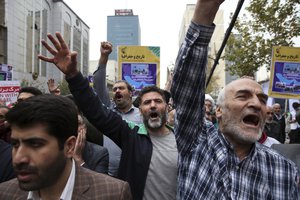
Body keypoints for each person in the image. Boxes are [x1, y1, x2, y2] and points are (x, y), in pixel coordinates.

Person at [170, 0, 300, 199]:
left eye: (262, 100)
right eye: (243, 96)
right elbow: (186, 87)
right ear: (219, 111)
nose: (256, 104)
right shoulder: (196, 142)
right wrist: (206, 9)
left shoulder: (284, 171)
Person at [38, 35, 178, 200]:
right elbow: (97, 110)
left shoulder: (181, 139)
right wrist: (74, 75)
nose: (153, 105)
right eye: (147, 102)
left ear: (166, 107)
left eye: (158, 101)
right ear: (140, 110)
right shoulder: (131, 134)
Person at [0, 94, 132, 199]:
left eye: (35, 144)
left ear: (69, 146)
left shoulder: (112, 193)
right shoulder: (5, 193)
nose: (18, 158)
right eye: (15, 144)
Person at [93, 41, 142, 177]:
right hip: (108, 174)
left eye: (121, 88)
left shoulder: (142, 115)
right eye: (114, 89)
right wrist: (103, 57)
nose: (117, 91)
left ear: (131, 93)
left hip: (134, 174)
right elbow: (98, 83)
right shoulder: (107, 112)